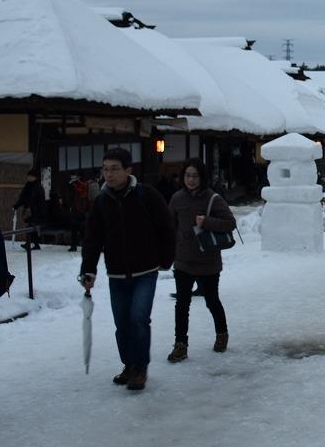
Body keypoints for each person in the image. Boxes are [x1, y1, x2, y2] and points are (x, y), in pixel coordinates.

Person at [80, 148, 176, 392]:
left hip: (146, 271)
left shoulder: (147, 195)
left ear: (128, 170)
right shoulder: (101, 202)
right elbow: (92, 239)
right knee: (122, 324)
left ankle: (140, 368)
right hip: (117, 273)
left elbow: (166, 227)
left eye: (115, 169)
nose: (109, 174)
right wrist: (88, 269)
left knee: (139, 318)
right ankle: (129, 364)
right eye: (105, 169)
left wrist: (166, 259)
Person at [166, 158, 235, 362]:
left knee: (212, 300)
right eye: (188, 175)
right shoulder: (177, 198)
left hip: (208, 261)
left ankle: (222, 333)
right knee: (182, 304)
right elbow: (170, 226)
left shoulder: (213, 198)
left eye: (195, 176)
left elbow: (230, 223)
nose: (191, 180)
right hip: (183, 260)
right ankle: (180, 345)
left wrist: (207, 222)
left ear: (202, 177)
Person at [14, 168, 45, 250]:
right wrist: (17, 205)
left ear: (35, 177)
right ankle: (35, 244)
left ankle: (29, 243)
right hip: (30, 209)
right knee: (31, 225)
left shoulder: (38, 187)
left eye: (31, 176)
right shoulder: (28, 186)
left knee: (31, 225)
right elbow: (23, 197)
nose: (29, 178)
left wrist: (38, 211)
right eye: (28, 176)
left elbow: (39, 200)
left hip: (37, 210)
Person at [67, 174, 91, 252]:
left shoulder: (83, 185)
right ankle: (73, 246)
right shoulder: (71, 185)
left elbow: (83, 194)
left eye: (74, 177)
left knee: (82, 230)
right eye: (71, 177)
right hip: (74, 209)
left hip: (81, 210)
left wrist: (75, 187)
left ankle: (85, 246)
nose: (72, 179)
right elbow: (70, 196)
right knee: (73, 229)